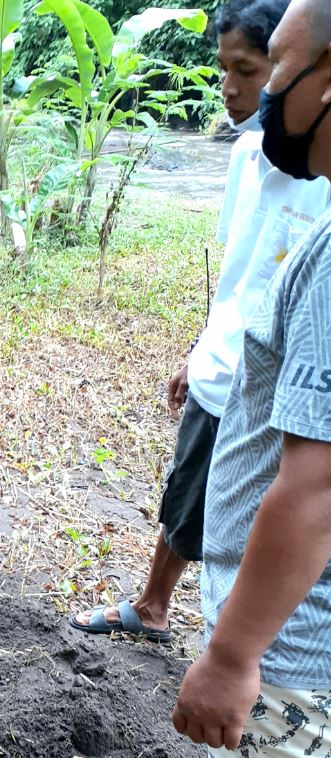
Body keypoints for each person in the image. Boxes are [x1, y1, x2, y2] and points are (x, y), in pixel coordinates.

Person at [70, 0, 331, 644]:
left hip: (281, 383)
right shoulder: (247, 154)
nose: (235, 87)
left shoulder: (320, 171)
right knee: (189, 489)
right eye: (224, 68)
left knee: (264, 511)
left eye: (252, 69)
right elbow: (236, 271)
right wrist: (199, 347)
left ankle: (240, 646)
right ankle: (155, 606)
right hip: (224, 363)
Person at [171, 0, 331, 758]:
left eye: (277, 66)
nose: (263, 92)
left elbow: (316, 487)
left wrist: (233, 657)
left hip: (291, 656)